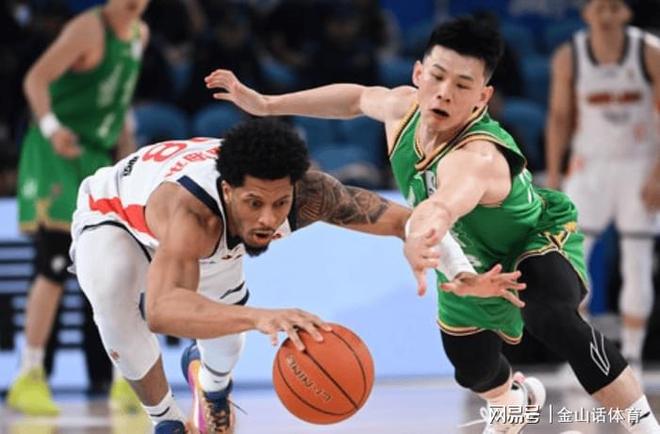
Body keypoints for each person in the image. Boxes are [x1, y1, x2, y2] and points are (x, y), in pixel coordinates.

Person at [204, 16, 660, 434]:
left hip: (532, 240)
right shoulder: (403, 108)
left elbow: (440, 207)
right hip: (466, 252)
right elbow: (356, 98)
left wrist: (418, 237)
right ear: (419, 74)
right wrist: (267, 103)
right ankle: (513, 403)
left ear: (482, 98)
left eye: (463, 85)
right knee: (473, 368)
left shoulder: (476, 157)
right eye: (438, 77)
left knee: (553, 317)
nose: (445, 92)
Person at [69, 118, 521, 434]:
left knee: (224, 344)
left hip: (210, 233)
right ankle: (166, 421)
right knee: (113, 294)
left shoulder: (310, 194)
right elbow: (163, 310)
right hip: (114, 214)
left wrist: (460, 270)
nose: (268, 218)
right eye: (254, 203)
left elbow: (409, 220)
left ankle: (213, 389)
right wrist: (262, 317)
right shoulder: (194, 214)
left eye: (279, 203)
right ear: (228, 190)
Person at [9, 0, 150, 416]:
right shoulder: (88, 29)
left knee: (117, 264)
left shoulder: (140, 35)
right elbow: (35, 79)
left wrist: (127, 151)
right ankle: (29, 375)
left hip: (96, 152)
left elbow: (119, 98)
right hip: (57, 148)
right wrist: (52, 128)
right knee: (55, 259)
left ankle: (128, 378)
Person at [545, 0, 660, 381]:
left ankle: (633, 355)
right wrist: (555, 176)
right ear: (586, 14)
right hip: (589, 166)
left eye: (614, 8)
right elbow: (559, 117)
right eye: (600, 8)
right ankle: (583, 353)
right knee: (571, 262)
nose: (607, 16)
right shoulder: (570, 56)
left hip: (639, 165)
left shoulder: (649, 52)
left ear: (627, 13)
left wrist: (658, 174)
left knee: (637, 261)